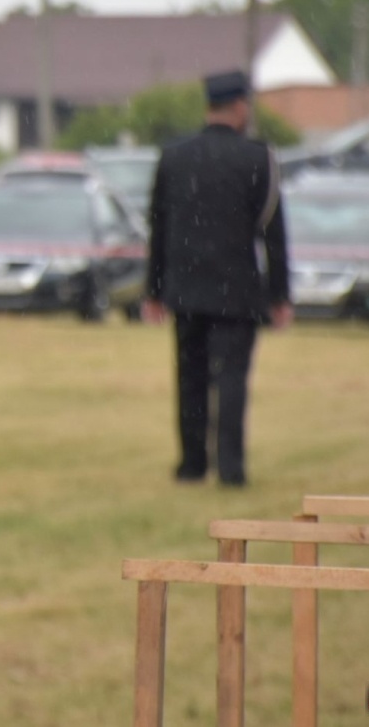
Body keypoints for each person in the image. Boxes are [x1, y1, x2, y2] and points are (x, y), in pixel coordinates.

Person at [141, 69, 292, 487]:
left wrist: (153, 290)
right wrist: (279, 294)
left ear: (209, 106)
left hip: (185, 289)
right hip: (237, 290)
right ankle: (230, 467)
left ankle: (191, 464)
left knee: (189, 377)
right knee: (230, 380)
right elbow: (273, 233)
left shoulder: (174, 157)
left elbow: (159, 227)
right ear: (241, 107)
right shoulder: (258, 158)